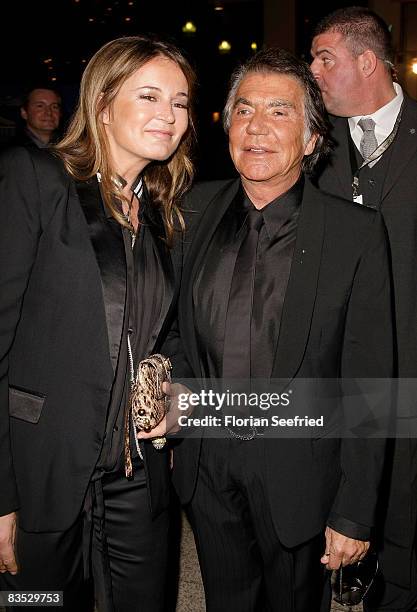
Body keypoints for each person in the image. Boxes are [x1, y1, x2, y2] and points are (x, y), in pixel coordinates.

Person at [172, 47, 393, 612]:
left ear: (314, 137)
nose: (257, 128)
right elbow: (172, 330)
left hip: (301, 465)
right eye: (244, 111)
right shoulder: (189, 212)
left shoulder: (355, 235)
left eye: (279, 111)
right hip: (208, 459)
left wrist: (354, 512)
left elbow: (371, 380)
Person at [0, 35, 195, 611]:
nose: (170, 116)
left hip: (136, 473)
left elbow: (169, 332)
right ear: (103, 103)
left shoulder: (160, 212)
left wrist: (177, 395)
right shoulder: (32, 179)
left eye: (181, 103)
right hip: (43, 469)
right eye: (151, 96)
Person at [311, 7, 417, 611]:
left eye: (325, 58)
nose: (314, 72)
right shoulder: (315, 150)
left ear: (367, 61)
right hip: (343, 374)